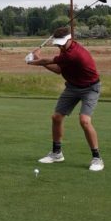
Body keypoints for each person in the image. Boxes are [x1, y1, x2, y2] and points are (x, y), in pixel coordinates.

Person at [27, 26, 104, 172]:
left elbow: (48, 60)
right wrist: (38, 60)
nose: (59, 45)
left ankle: (97, 158)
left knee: (84, 120)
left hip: (90, 88)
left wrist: (32, 61)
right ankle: (56, 153)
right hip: (72, 87)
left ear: (70, 39)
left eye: (62, 43)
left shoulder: (74, 54)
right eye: (58, 43)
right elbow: (58, 70)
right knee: (56, 117)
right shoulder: (65, 49)